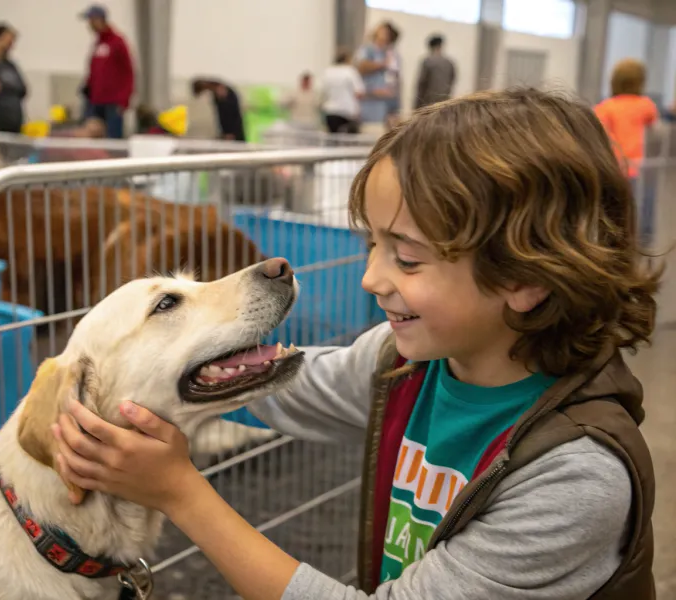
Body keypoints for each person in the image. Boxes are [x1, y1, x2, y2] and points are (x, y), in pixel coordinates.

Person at [53, 88, 657, 600]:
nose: (371, 278)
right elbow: (292, 386)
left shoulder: (575, 477)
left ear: (524, 279)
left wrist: (180, 492)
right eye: (373, 245)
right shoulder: (406, 364)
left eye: (409, 257)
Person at [594, 59, 659, 249]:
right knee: (637, 205)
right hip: (634, 167)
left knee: (611, 206)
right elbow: (653, 122)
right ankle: (639, 239)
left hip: (610, 166)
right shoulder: (645, 104)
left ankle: (610, 238)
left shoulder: (606, 106)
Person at [80, 4, 135, 139]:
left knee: (113, 139)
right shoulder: (97, 44)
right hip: (95, 102)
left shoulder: (117, 42)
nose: (89, 25)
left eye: (91, 20)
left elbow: (129, 72)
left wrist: (123, 100)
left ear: (100, 19)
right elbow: (94, 72)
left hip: (113, 103)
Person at [355, 21, 401, 131]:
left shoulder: (392, 53)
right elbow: (361, 67)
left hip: (387, 103)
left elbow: (395, 78)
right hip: (369, 101)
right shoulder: (367, 50)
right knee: (370, 131)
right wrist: (382, 64)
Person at [320, 49, 365, 134]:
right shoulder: (350, 71)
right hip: (347, 112)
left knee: (333, 141)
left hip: (330, 111)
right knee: (349, 142)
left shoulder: (327, 72)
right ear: (347, 59)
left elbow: (323, 92)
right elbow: (359, 92)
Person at [414, 35, 456, 110]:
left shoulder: (427, 61)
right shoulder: (449, 62)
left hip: (428, 101)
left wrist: (416, 105)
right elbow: (452, 80)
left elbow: (422, 83)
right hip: (445, 100)